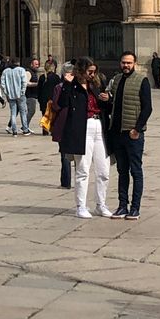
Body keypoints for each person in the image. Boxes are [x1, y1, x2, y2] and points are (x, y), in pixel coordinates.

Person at [57, 57, 112, 218]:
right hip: (82, 128)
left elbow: (105, 107)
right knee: (83, 170)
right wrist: (67, 84)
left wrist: (108, 100)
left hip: (99, 126)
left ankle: (101, 204)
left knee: (104, 170)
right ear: (81, 70)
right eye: (89, 71)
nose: (92, 74)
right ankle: (81, 206)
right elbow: (61, 103)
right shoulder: (72, 85)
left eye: (94, 71)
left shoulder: (96, 84)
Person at [106, 51, 152, 221]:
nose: (126, 65)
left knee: (136, 171)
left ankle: (135, 208)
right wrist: (107, 98)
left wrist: (137, 128)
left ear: (135, 64)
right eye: (124, 62)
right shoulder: (117, 80)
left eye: (129, 63)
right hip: (117, 132)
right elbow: (115, 101)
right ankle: (122, 206)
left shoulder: (142, 80)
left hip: (133, 133)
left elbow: (147, 107)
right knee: (121, 171)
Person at [1, 60, 30, 136]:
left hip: (11, 95)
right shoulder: (21, 70)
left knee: (13, 113)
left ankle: (14, 131)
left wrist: (6, 93)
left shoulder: (5, 71)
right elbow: (24, 82)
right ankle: (25, 129)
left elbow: (2, 84)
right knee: (23, 112)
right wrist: (22, 91)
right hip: (20, 94)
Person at [37, 59, 61, 136]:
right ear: (53, 68)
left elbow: (39, 89)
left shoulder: (42, 77)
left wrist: (39, 99)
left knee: (45, 115)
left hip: (43, 99)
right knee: (53, 115)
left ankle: (45, 131)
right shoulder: (56, 77)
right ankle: (52, 130)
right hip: (53, 99)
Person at [24, 58, 42, 129]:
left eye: (38, 64)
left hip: (33, 95)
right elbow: (26, 83)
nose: (37, 66)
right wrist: (37, 84)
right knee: (31, 111)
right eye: (36, 64)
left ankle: (25, 126)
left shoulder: (34, 72)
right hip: (29, 95)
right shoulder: (28, 72)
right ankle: (24, 126)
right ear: (31, 64)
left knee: (31, 111)